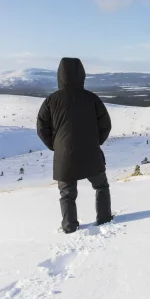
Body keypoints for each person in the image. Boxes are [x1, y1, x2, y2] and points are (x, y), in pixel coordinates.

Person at [37, 57, 113, 233]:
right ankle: (104, 218)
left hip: (64, 156)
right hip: (91, 152)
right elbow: (106, 125)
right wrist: (96, 142)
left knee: (67, 194)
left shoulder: (51, 100)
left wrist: (56, 146)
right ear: (82, 74)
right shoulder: (92, 98)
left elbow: (42, 129)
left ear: (59, 75)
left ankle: (69, 226)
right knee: (101, 186)